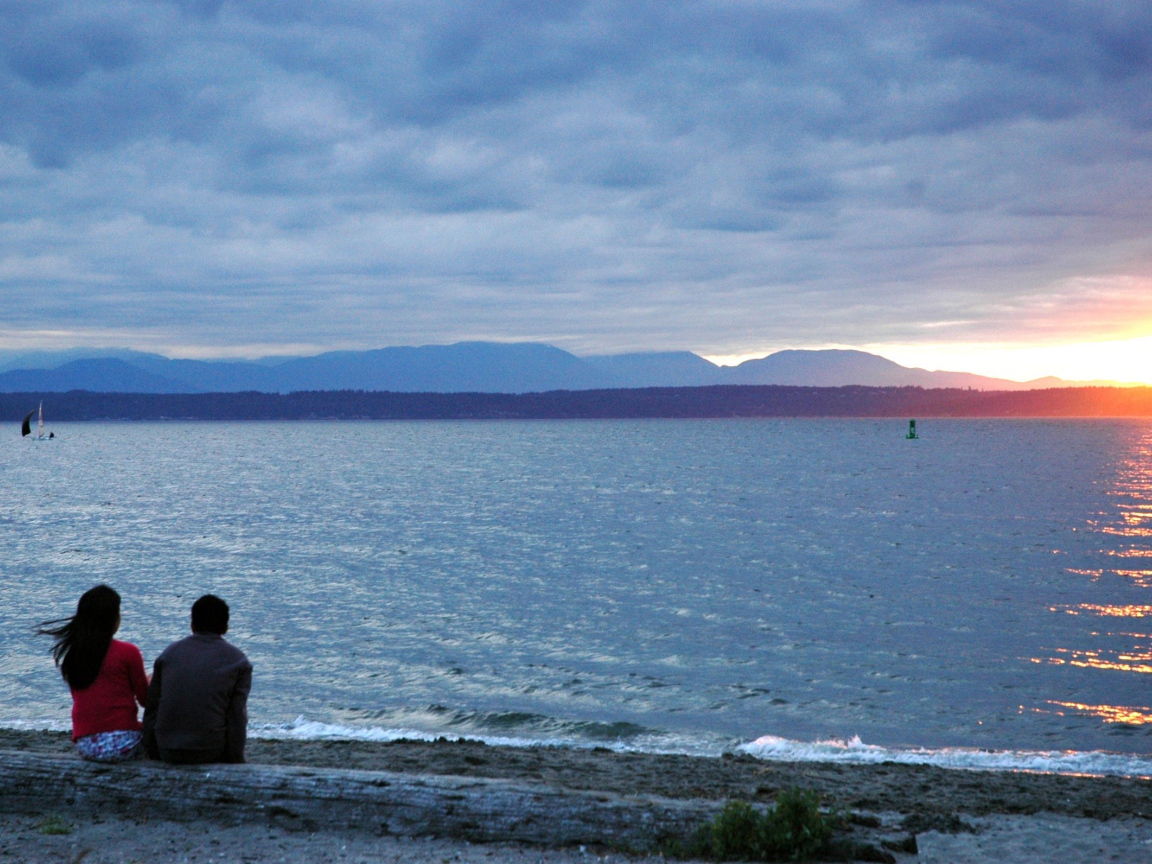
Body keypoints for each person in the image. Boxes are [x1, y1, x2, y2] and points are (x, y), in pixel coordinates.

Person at [37, 585, 149, 762]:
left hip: (87, 745)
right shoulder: (128, 652)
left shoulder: (74, 655)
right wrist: (154, 682)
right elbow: (146, 700)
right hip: (123, 744)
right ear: (112, 620)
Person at [142, 594, 251, 764]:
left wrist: (152, 751)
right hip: (209, 750)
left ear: (192, 624)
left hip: (167, 748)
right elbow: (236, 717)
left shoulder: (169, 654)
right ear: (225, 627)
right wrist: (237, 760)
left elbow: (152, 709)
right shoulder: (238, 661)